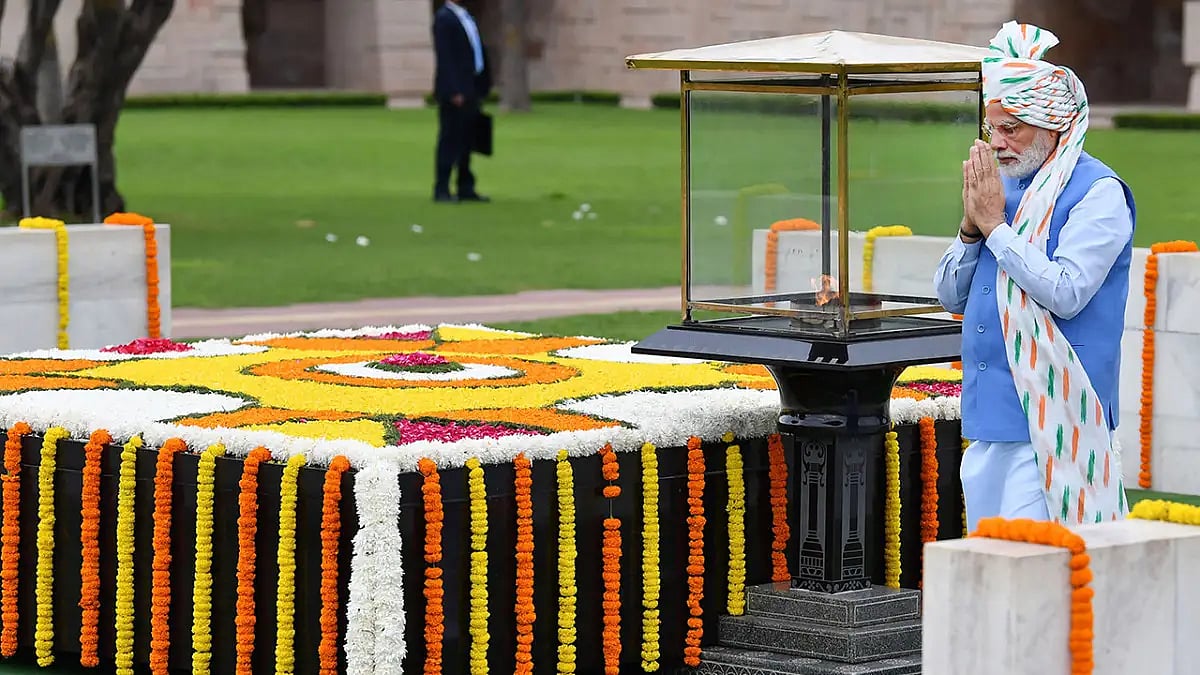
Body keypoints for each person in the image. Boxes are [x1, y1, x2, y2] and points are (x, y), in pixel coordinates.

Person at [933, 21, 1136, 533]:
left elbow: (1066, 293)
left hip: (1060, 422)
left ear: (1053, 125)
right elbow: (950, 297)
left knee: (1041, 577)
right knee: (990, 575)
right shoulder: (997, 191)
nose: (997, 143)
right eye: (991, 128)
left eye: (1012, 127)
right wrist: (969, 229)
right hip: (988, 425)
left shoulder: (1099, 193)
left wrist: (996, 227)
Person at [431, 0, 492, 203]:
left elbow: (476, 50)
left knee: (467, 139)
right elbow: (446, 57)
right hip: (456, 90)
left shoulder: (466, 17)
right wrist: (453, 90)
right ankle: (442, 188)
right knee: (450, 138)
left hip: (471, 86)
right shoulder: (444, 19)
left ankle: (465, 186)